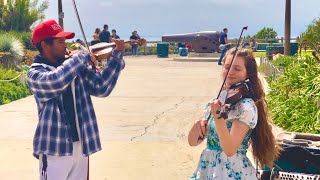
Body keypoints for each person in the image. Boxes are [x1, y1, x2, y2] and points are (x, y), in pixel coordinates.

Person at [27, 19, 125, 180]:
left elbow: (102, 87)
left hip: (81, 146)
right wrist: (81, 58)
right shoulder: (35, 72)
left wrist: (116, 57)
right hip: (54, 148)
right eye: (60, 41)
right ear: (45, 44)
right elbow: (55, 81)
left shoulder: (72, 68)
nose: (65, 45)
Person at [188, 47, 281, 180]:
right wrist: (197, 126)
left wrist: (219, 119)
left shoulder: (246, 107)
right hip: (207, 169)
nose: (230, 72)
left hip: (230, 171)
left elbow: (230, 149)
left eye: (237, 69)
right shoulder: (219, 101)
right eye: (227, 67)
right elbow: (193, 142)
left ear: (248, 73)